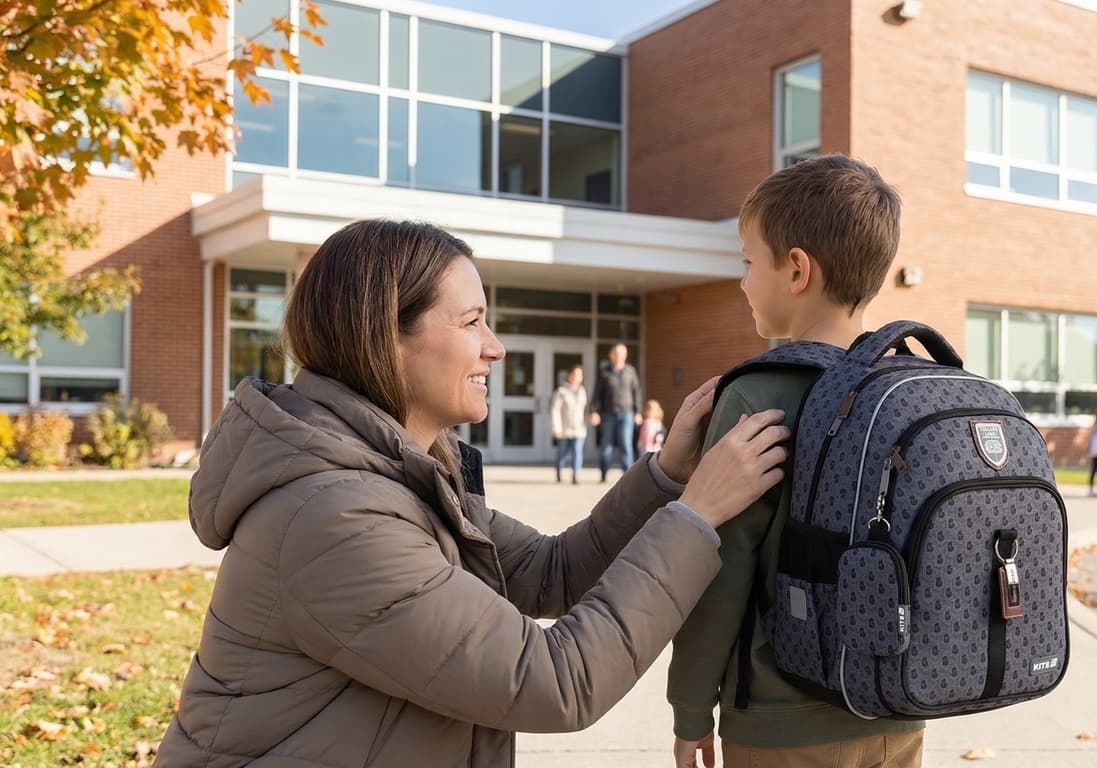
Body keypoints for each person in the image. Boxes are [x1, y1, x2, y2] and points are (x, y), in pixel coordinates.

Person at [155, 219, 791, 767]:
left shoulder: (403, 474)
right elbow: (556, 680)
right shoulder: (336, 517)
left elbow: (551, 571)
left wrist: (667, 475)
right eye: (471, 322)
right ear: (384, 338)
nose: (496, 347)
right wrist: (696, 514)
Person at [668, 155, 926, 768]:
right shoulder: (908, 390)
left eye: (748, 262)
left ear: (797, 270)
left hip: (781, 722)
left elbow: (718, 568)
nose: (742, 281)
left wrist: (690, 708)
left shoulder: (757, 396)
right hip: (899, 707)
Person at [590, 342, 642, 482]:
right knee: (605, 446)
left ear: (625, 355)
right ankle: (603, 473)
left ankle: (628, 477)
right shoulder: (604, 371)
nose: (619, 356)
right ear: (611, 355)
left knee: (626, 444)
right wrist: (594, 411)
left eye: (622, 354)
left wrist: (638, 412)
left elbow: (636, 392)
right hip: (608, 413)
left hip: (627, 413)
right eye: (617, 353)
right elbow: (597, 393)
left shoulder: (630, 371)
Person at [551, 363, 588, 483]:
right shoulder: (561, 391)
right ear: (569, 376)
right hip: (564, 429)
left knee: (577, 452)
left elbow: (584, 409)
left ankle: (575, 476)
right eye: (575, 374)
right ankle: (559, 471)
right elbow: (555, 410)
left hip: (579, 429)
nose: (577, 377)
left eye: (580, 375)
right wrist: (556, 427)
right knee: (562, 453)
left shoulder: (582, 391)